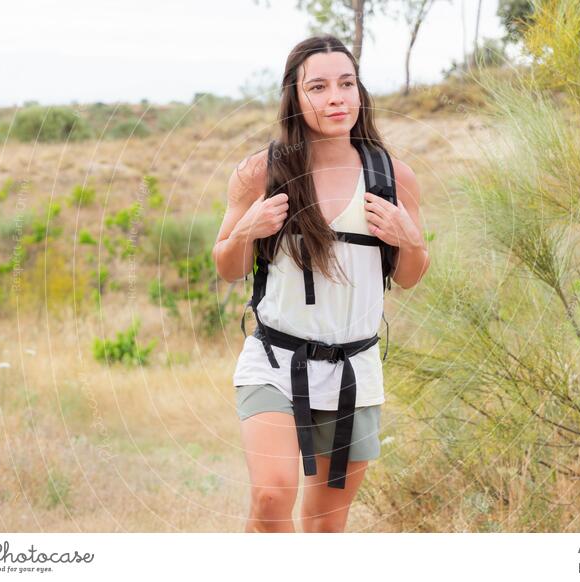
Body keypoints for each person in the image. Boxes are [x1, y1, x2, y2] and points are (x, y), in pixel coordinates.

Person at [212, 34, 429, 533]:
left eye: (347, 84)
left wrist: (410, 241)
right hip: (274, 363)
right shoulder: (260, 173)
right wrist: (250, 228)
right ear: (295, 96)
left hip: (354, 369)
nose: (336, 97)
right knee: (270, 498)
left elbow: (411, 275)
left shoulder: (393, 176)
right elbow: (227, 265)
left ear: (360, 92)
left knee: (326, 524)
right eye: (319, 86)